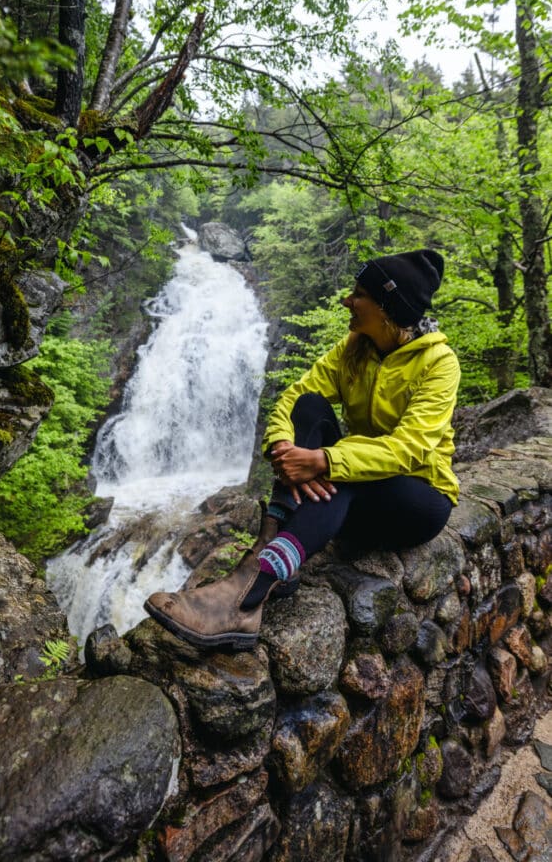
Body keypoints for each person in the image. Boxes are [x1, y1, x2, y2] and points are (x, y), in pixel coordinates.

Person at [145, 249, 460, 651]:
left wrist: (323, 460)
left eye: (359, 294)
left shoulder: (439, 363)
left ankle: (247, 595)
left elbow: (408, 449)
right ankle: (272, 545)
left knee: (348, 469)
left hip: (418, 501)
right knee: (308, 408)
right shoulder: (355, 347)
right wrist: (281, 445)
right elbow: (296, 396)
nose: (347, 300)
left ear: (387, 309)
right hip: (356, 491)